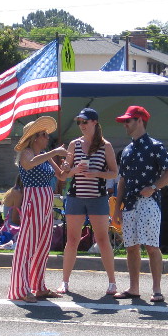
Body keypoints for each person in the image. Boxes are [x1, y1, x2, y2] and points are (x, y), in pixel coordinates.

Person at [112, 105, 168, 302]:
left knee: (151, 245)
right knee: (131, 246)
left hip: (148, 202)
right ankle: (134, 288)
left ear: (140, 120)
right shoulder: (127, 151)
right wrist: (117, 207)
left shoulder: (155, 146)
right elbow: (122, 180)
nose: (125, 125)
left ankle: (157, 289)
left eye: (128, 121)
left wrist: (154, 187)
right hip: (130, 204)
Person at [56, 108, 119, 295]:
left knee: (102, 239)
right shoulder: (74, 145)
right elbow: (63, 175)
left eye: (85, 122)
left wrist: (98, 173)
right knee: (72, 240)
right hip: (76, 196)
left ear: (94, 122)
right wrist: (73, 169)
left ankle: (112, 282)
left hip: (98, 198)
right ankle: (65, 282)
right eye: (79, 122)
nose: (82, 126)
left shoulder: (105, 146)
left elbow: (114, 172)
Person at [7, 116, 68, 303]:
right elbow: (29, 164)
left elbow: (61, 176)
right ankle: (21, 289)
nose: (47, 138)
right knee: (27, 245)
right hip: (33, 200)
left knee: (42, 245)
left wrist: (70, 168)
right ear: (34, 138)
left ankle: (39, 286)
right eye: (43, 134)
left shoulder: (47, 156)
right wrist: (54, 153)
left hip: (46, 201)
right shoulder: (27, 153)